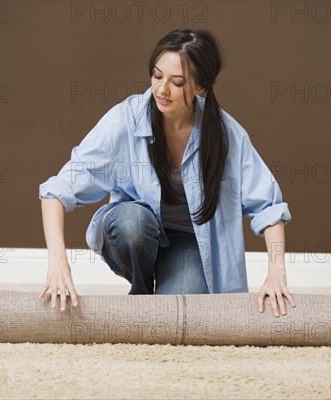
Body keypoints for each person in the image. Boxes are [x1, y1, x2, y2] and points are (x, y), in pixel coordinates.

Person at [37, 28, 296, 318]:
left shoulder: (225, 134)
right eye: (157, 76)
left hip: (188, 242)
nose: (161, 90)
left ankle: (158, 297)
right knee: (132, 223)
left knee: (177, 315)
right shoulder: (125, 120)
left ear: (200, 87)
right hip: (135, 233)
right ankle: (142, 287)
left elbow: (269, 207)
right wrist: (58, 262)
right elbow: (55, 192)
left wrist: (277, 273)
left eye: (177, 82)